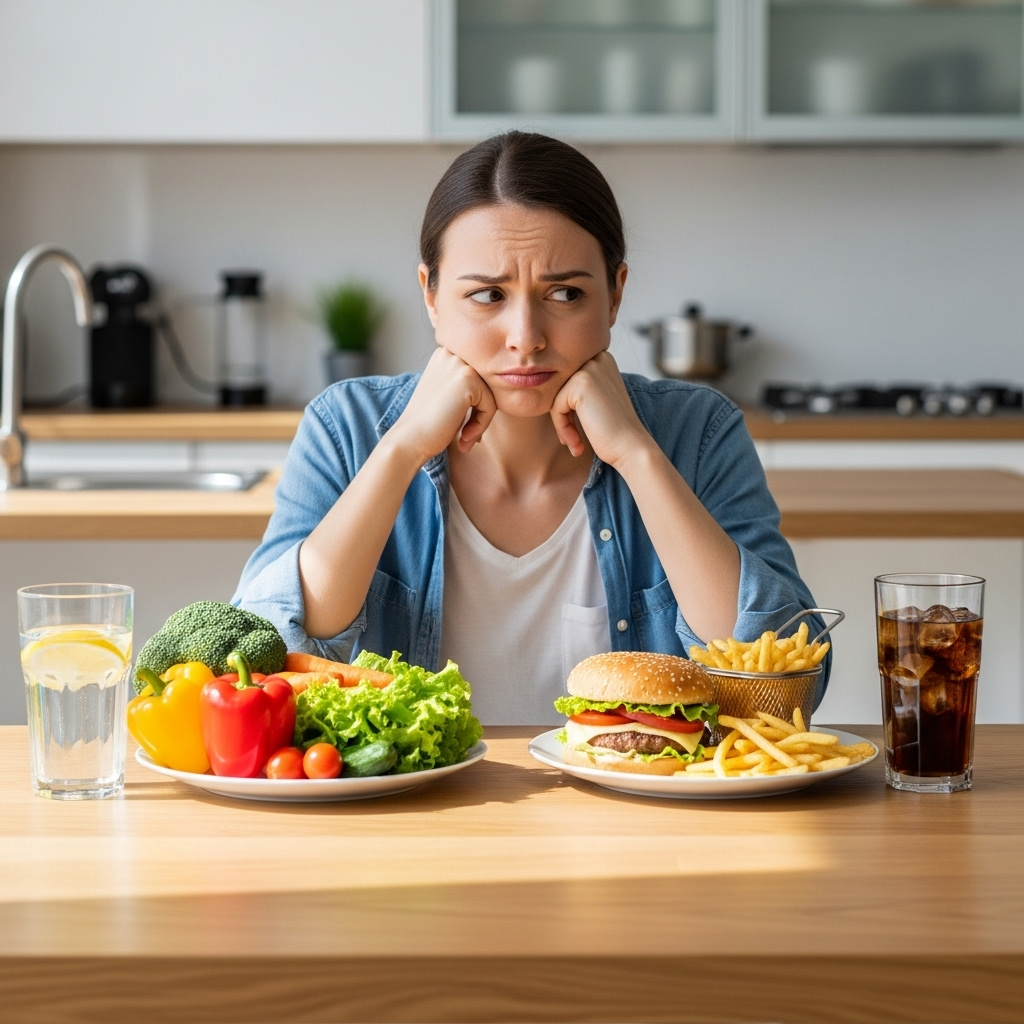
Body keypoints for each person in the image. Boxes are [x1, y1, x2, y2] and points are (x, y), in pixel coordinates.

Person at [233, 131, 827, 725]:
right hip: (407, 816)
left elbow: (785, 685)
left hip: (645, 815)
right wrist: (402, 450)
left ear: (616, 295)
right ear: (432, 296)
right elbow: (257, 659)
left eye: (565, 293)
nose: (526, 336)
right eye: (488, 295)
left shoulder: (698, 430)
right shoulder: (348, 427)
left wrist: (636, 455)